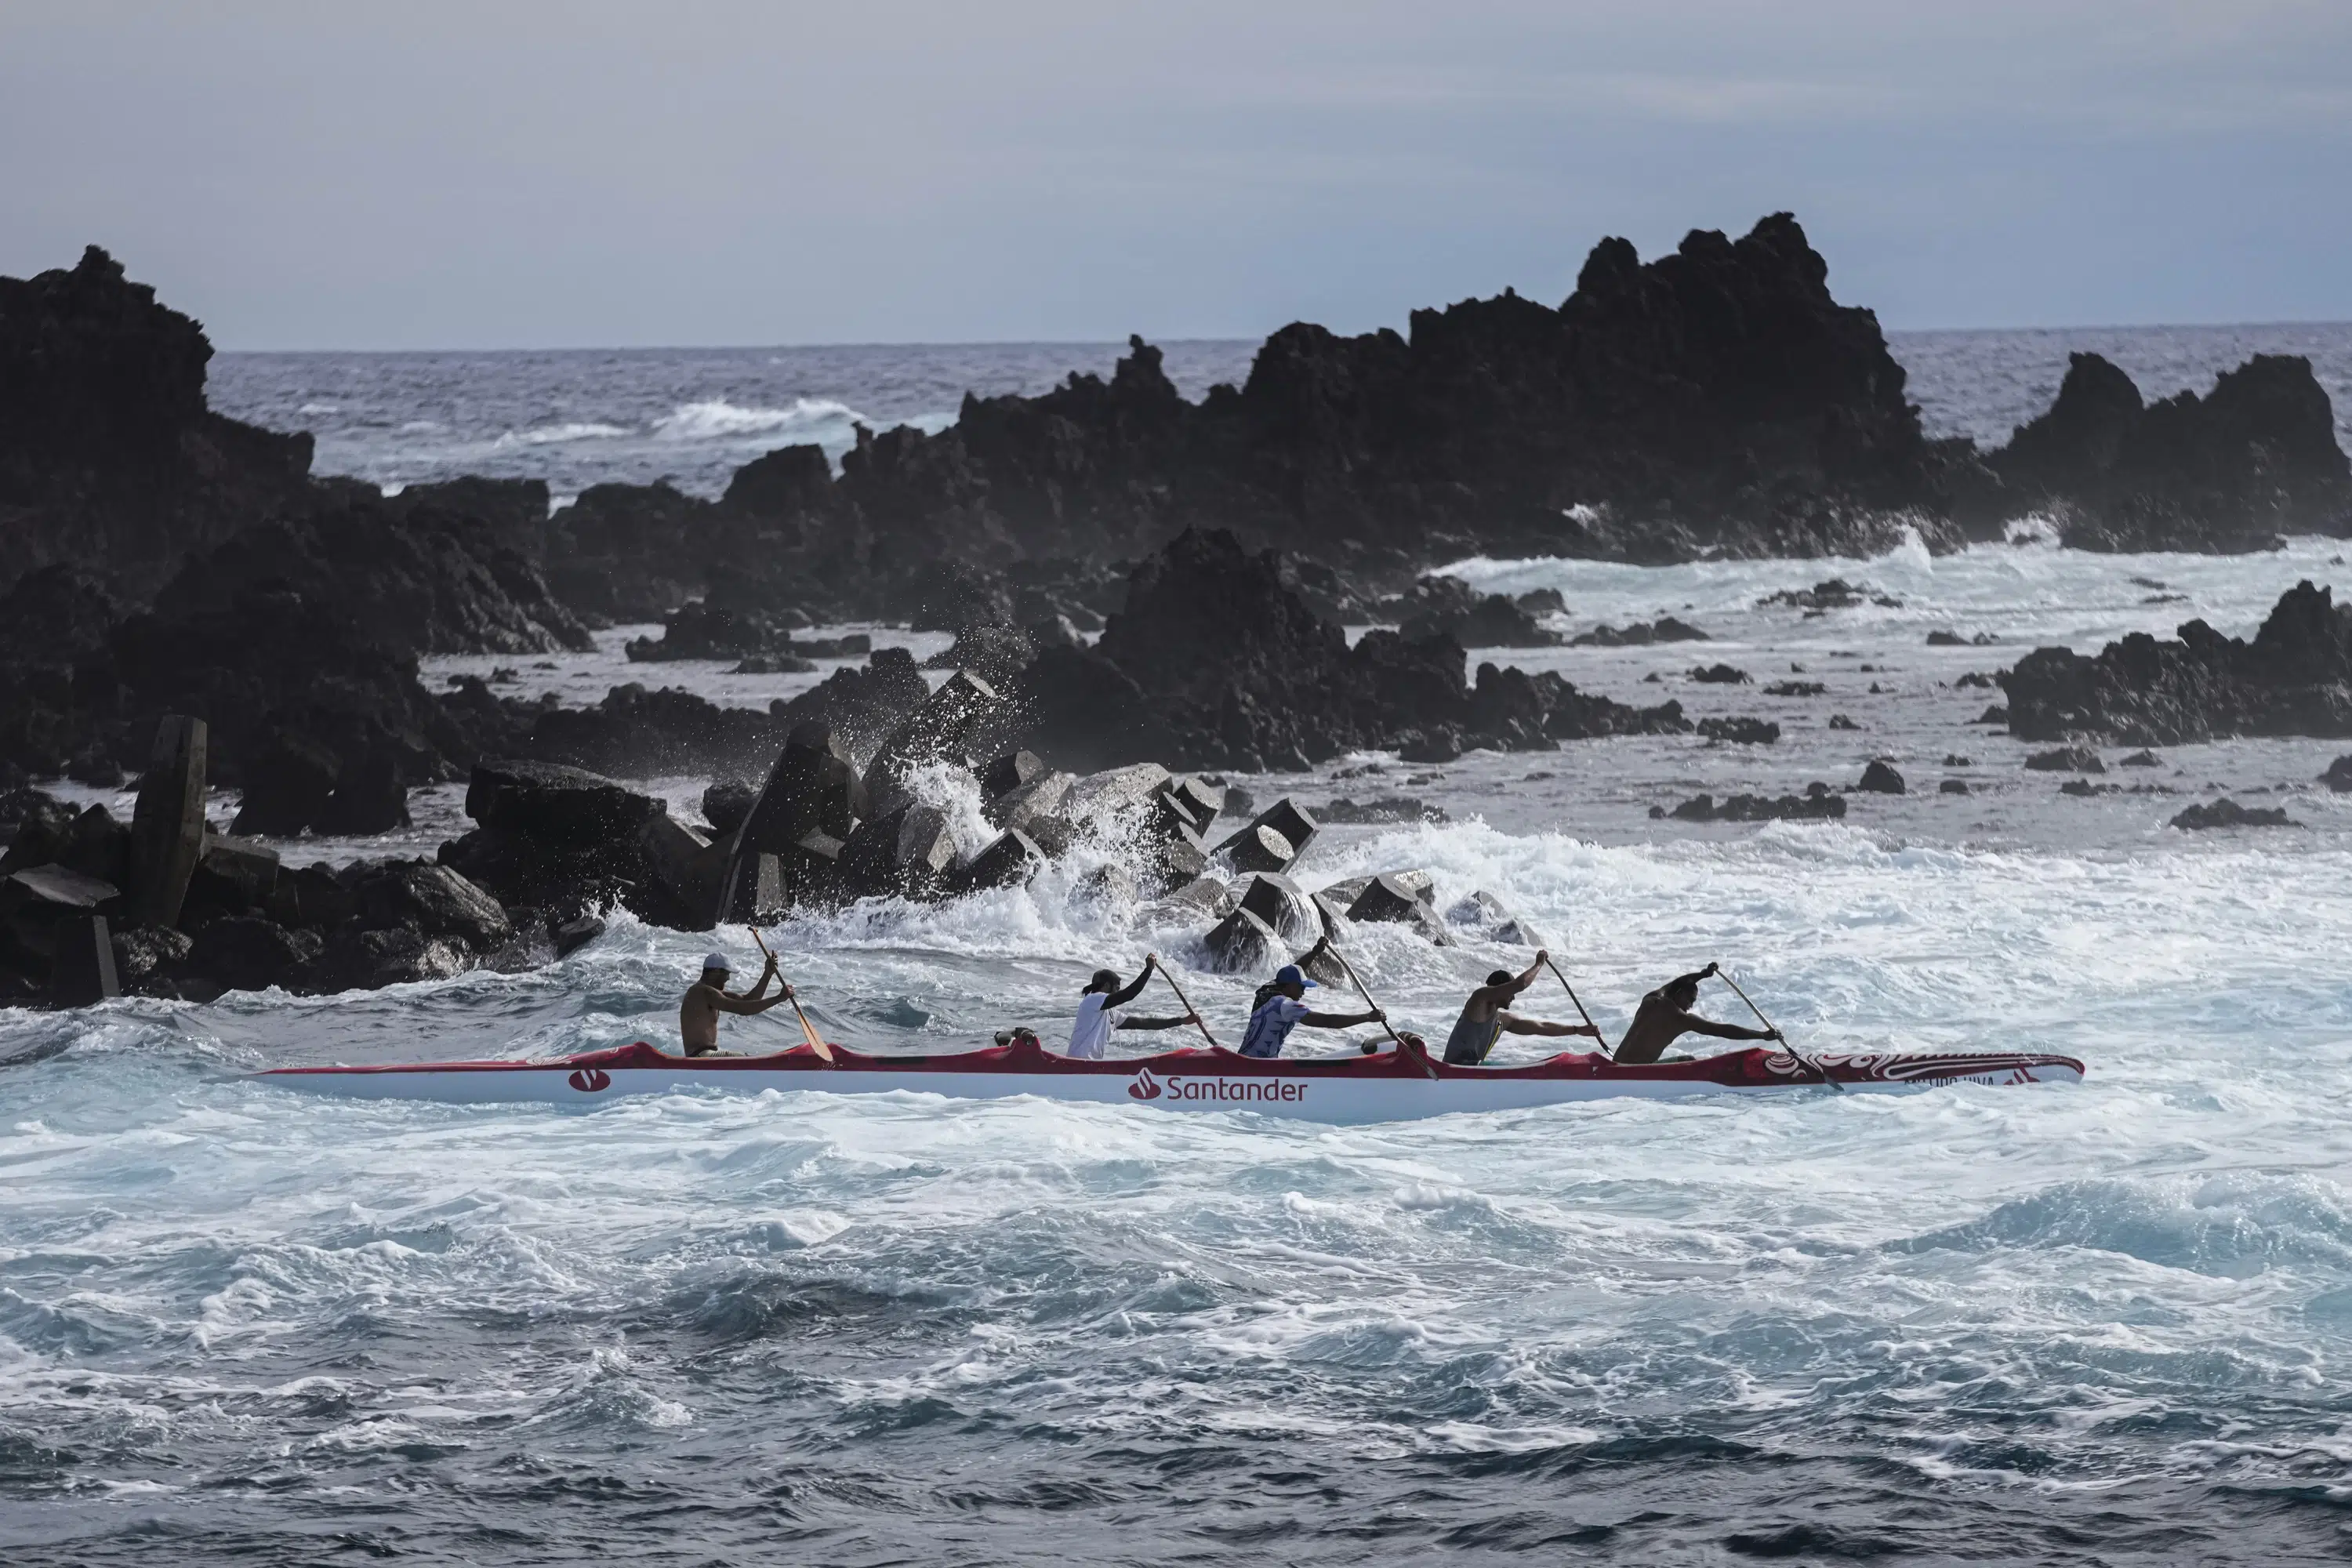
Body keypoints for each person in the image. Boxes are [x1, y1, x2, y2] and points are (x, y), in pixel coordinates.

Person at [1441, 952, 1603, 1065]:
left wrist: (1576, 1030)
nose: (1513, 997)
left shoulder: (1502, 1021)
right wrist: (1539, 964)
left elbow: (1541, 1027)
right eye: (1509, 992)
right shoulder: (1479, 1000)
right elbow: (1520, 984)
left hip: (1471, 1072)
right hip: (1451, 1071)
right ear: (1500, 989)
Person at [1611, 962, 1780, 1065]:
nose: (1691, 1006)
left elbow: (1675, 984)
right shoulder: (1681, 1019)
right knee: (1689, 1061)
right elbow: (1722, 1030)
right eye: (1690, 1000)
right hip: (1637, 1072)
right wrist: (1762, 1035)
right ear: (1679, 994)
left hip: (1615, 1066)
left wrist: (1703, 975)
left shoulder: (1650, 1000)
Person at [1238, 963, 1385, 1058]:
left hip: (1244, 1058)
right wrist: (1367, 1017)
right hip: (1259, 1066)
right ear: (1289, 986)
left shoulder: (1266, 990)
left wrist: (1316, 951)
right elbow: (1328, 1021)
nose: (1303, 991)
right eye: (1301, 986)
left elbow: (1293, 969)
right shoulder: (1286, 1006)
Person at [1067, 953, 1200, 1059]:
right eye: (1117, 988)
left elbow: (1144, 1023)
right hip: (1075, 1066)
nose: (1118, 992)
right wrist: (1148, 970)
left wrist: (1181, 1021)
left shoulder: (1111, 1014)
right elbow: (1129, 994)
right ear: (1107, 986)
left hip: (1090, 1068)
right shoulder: (1091, 1001)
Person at [680, 950, 792, 1057]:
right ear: (716, 972)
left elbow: (749, 1000)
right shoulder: (703, 992)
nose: (728, 979)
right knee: (749, 1060)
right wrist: (779, 998)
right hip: (701, 1057)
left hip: (704, 1055)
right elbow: (743, 1010)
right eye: (726, 974)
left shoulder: (708, 992)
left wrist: (767, 975)